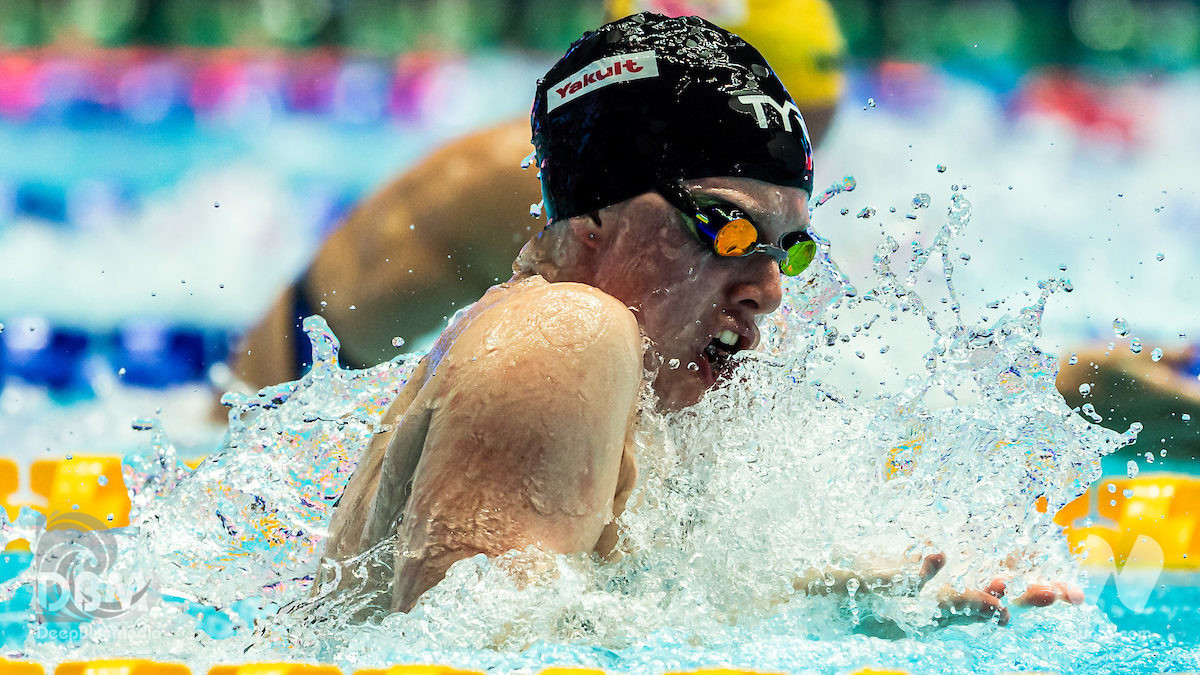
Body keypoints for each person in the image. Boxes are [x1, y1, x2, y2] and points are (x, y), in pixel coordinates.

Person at [315, 13, 1080, 624]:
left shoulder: (620, 384)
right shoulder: (568, 331)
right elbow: (463, 651)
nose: (770, 287)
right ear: (593, 219)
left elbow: (576, 608)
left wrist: (851, 599)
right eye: (726, 228)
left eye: (789, 249)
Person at [221, 0, 848, 394]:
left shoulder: (636, 189)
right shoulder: (530, 192)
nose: (792, 167)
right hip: (272, 426)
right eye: (731, 211)